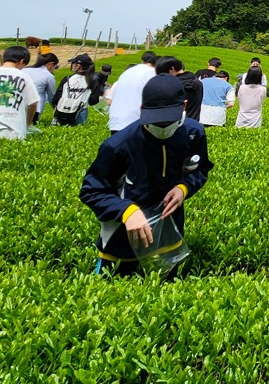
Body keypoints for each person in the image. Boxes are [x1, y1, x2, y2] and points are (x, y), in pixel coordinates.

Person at [79, 74, 213, 277]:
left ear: (184, 106)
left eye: (168, 120)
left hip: (168, 237)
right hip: (120, 240)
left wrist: (182, 188)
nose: (162, 128)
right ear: (142, 110)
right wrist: (127, 211)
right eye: (156, 121)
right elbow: (91, 190)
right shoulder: (119, 144)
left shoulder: (193, 134)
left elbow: (201, 168)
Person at [108, 51, 159, 134]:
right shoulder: (152, 73)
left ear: (142, 60)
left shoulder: (128, 72)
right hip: (134, 122)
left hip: (115, 122)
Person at [156, 56, 203, 123]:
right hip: (192, 124)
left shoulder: (171, 85)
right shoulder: (197, 83)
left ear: (172, 69)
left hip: (173, 126)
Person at [24, 52, 59, 123]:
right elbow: (52, 97)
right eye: (55, 67)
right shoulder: (48, 76)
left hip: (16, 107)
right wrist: (58, 111)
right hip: (34, 110)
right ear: (51, 64)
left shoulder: (25, 70)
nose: (54, 70)